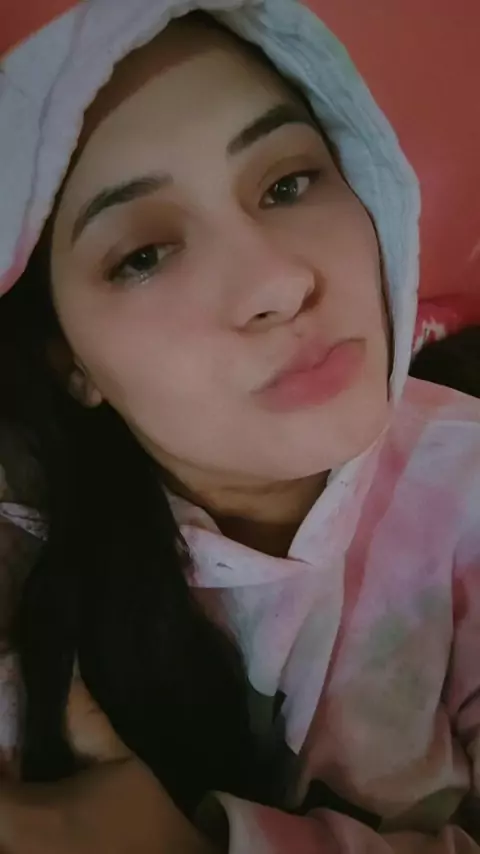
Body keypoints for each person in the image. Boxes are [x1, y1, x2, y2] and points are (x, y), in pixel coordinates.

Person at [0, 0, 479, 851]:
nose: (279, 284)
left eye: (288, 183)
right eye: (144, 255)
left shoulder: (466, 493)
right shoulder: (23, 550)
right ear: (67, 360)